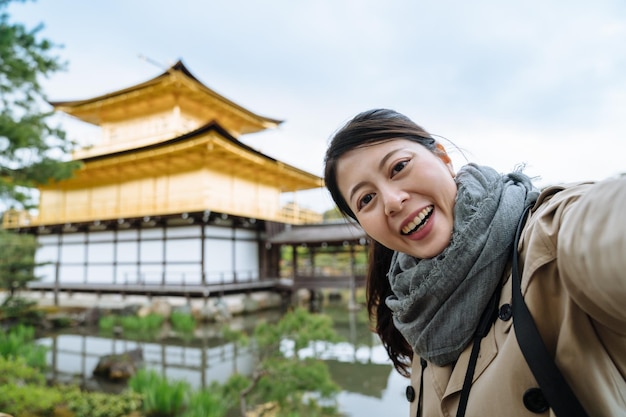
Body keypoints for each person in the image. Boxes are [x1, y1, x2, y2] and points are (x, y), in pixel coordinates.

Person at [323, 108, 626, 416]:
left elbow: (602, 232)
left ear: (443, 158)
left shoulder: (546, 240)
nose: (391, 201)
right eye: (366, 199)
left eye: (399, 167)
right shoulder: (414, 308)